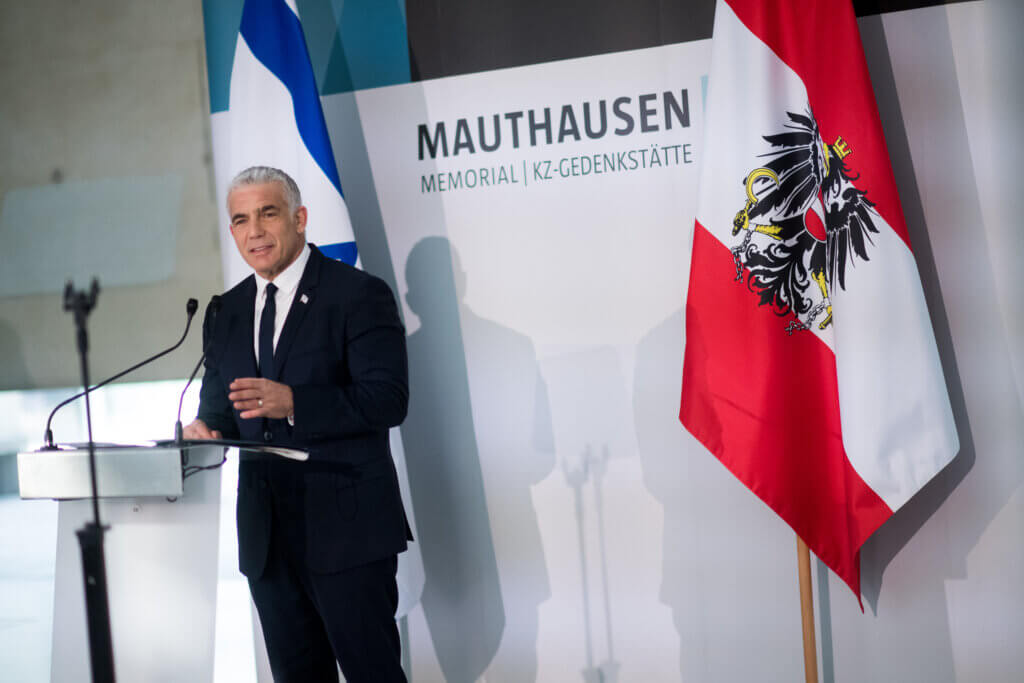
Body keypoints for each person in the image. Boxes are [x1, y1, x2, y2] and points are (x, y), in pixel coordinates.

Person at [183, 166, 411, 682]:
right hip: (267, 536)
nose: (254, 231)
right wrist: (205, 430)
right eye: (240, 220)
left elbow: (388, 401)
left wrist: (295, 404)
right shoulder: (227, 310)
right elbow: (220, 409)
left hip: (348, 528)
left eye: (267, 213)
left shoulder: (356, 294)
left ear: (300, 218)